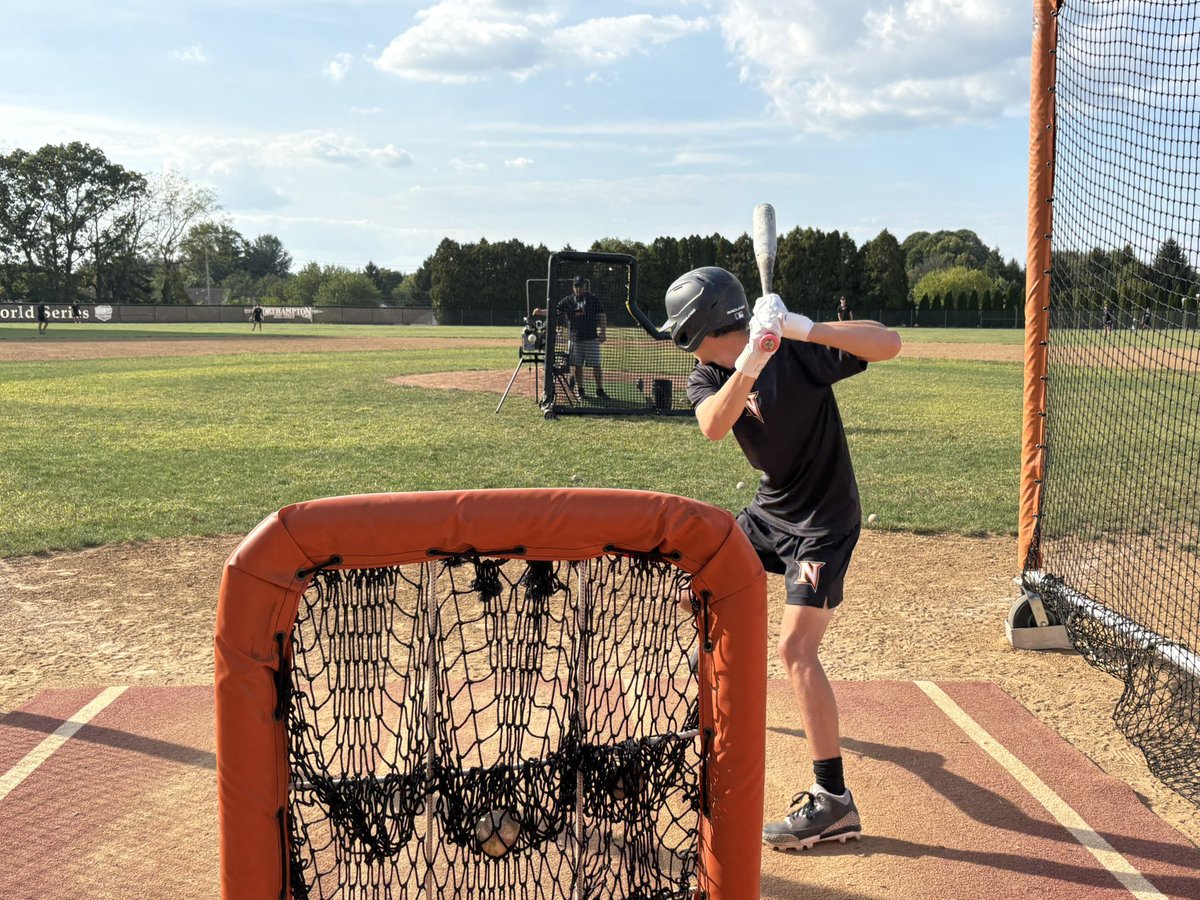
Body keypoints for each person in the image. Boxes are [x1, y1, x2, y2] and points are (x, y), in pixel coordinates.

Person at [660, 266, 901, 851]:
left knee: (796, 649)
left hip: (822, 521)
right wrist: (751, 360)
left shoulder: (797, 351)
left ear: (706, 323)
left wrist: (800, 326)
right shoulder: (709, 374)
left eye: (686, 331)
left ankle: (834, 801)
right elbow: (714, 425)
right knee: (701, 579)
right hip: (771, 513)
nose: (683, 344)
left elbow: (889, 342)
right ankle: (711, 705)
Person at [555, 275, 607, 399]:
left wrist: (603, 332)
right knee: (577, 366)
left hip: (591, 338)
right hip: (574, 339)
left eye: (580, 286)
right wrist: (541, 311)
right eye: (576, 286)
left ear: (585, 286)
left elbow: (602, 315)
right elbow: (555, 310)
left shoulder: (593, 299)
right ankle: (580, 390)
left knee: (596, 365)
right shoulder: (567, 300)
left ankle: (600, 390)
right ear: (573, 287)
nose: (578, 288)